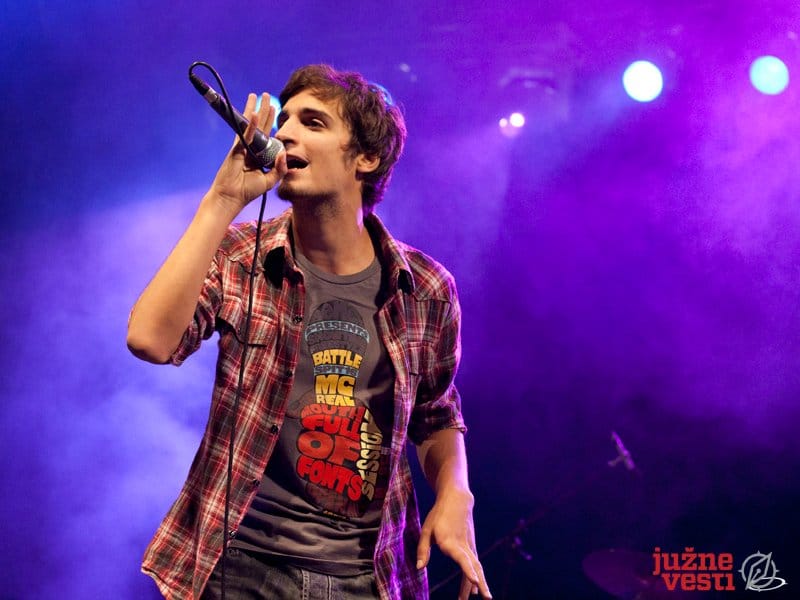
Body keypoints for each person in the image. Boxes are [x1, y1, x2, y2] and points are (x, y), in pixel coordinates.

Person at [127, 64, 491, 600]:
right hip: (240, 566)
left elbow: (435, 415)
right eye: (285, 121)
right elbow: (150, 341)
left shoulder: (425, 288)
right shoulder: (240, 254)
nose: (286, 134)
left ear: (367, 158)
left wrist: (457, 493)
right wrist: (221, 201)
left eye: (313, 122)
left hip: (367, 574)